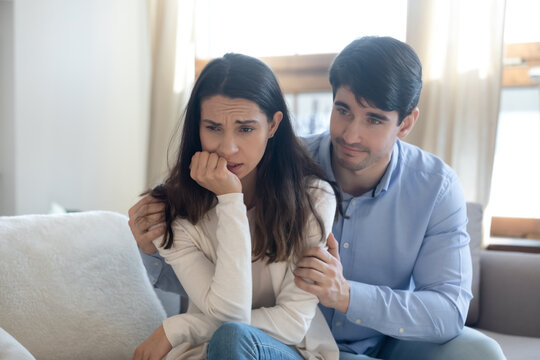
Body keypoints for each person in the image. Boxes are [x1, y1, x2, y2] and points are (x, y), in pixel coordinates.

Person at [129, 37, 505, 359]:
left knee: (482, 353)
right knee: (235, 337)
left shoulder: (435, 188)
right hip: (279, 340)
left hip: (388, 339)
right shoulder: (282, 168)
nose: (351, 134)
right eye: (343, 110)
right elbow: (220, 268)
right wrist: (153, 249)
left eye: (373, 119)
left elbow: (448, 311)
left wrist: (346, 295)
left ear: (405, 123)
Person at [131, 53, 342, 360]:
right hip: (208, 351)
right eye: (213, 128)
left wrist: (179, 328)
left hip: (290, 350)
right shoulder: (177, 208)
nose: (227, 148)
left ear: (273, 125)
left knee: (233, 339)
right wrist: (230, 200)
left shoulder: (314, 199)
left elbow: (292, 323)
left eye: (245, 129)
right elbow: (228, 315)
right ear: (198, 128)